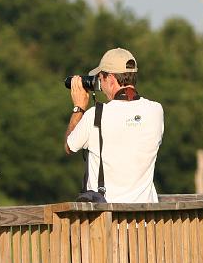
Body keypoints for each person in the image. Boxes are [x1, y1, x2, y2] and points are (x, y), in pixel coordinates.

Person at [64, 48, 164, 203]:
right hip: (146, 222)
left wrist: (79, 107)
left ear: (110, 78)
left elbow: (69, 145)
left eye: (100, 79)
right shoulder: (156, 111)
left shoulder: (95, 115)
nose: (100, 85)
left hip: (108, 221)